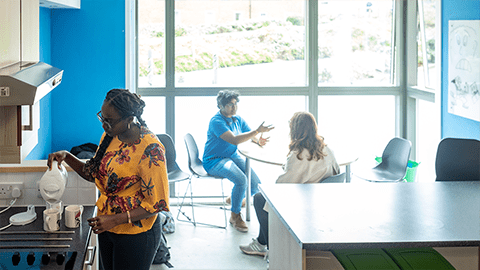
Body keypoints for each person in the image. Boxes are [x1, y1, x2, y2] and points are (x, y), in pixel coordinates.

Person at [47, 89, 169, 270]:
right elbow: (95, 174)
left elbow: (158, 204)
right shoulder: (110, 136)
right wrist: (67, 156)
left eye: (109, 121)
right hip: (107, 225)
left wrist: (116, 219)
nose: (104, 125)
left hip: (136, 234)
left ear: (129, 120)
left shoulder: (150, 149)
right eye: (102, 118)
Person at [239, 111, 340, 256]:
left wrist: (287, 167)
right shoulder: (326, 148)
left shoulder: (299, 155)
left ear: (295, 130)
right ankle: (261, 243)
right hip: (322, 198)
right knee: (264, 199)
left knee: (260, 199)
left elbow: (281, 187)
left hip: (307, 203)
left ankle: (272, 251)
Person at [203, 90, 274, 232]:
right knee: (242, 181)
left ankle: (234, 198)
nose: (234, 108)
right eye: (230, 105)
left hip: (232, 156)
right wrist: (256, 132)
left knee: (255, 184)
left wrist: (257, 140)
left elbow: (248, 133)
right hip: (214, 160)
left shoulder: (237, 119)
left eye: (235, 104)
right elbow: (235, 140)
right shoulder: (216, 121)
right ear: (221, 106)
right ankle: (235, 215)